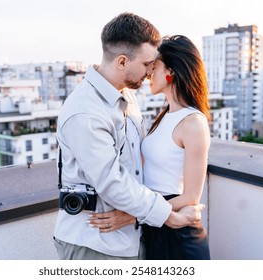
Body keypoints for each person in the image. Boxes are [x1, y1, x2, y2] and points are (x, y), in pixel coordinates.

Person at [53, 13, 204, 260]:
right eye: (146, 64)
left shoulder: (126, 96)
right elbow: (112, 183)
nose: (149, 71)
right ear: (122, 61)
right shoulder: (86, 111)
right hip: (96, 244)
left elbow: (134, 166)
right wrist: (168, 216)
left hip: (128, 238)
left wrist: (140, 217)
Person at [90, 35, 211, 260]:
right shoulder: (164, 116)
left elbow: (191, 197)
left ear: (171, 72)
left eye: (153, 67)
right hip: (155, 225)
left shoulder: (194, 122)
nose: (148, 75)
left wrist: (129, 216)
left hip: (178, 234)